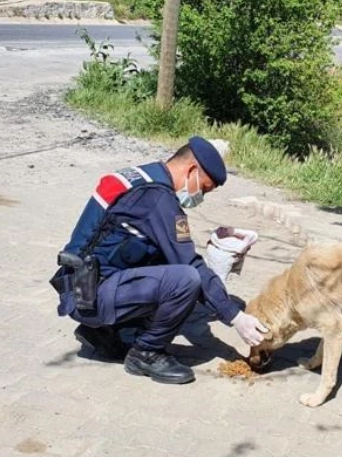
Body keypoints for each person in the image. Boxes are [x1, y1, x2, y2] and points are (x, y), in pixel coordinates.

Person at [50, 137, 269, 384]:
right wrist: (235, 317)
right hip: (91, 296)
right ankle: (146, 353)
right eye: (205, 188)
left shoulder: (143, 176)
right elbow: (190, 264)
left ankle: (106, 333)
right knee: (185, 281)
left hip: (81, 286)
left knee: (164, 260)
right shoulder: (158, 199)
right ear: (192, 170)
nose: (202, 196)